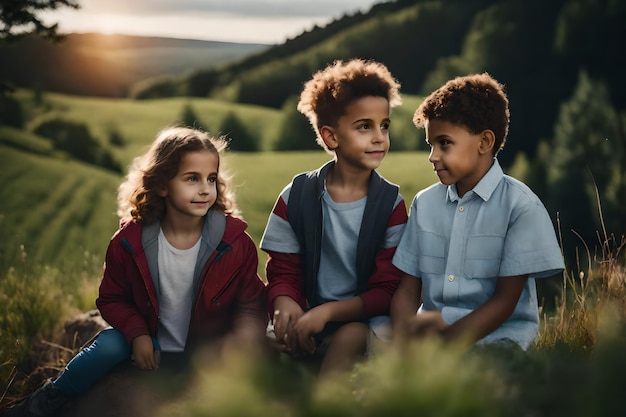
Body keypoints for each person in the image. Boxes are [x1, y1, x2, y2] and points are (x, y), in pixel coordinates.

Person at [6, 126, 268, 417]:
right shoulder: (128, 243)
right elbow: (111, 298)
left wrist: (242, 344)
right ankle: (44, 402)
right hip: (150, 342)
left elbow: (251, 303)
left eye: (211, 179)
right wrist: (137, 334)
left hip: (209, 346)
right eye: (192, 178)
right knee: (108, 345)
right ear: (161, 184)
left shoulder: (235, 243)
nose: (205, 189)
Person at [390, 73, 565, 350]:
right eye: (430, 144)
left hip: (497, 342)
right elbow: (408, 290)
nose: (432, 156)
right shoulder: (424, 204)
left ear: (484, 142)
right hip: (428, 341)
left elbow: (504, 302)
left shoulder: (520, 208)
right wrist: (405, 341)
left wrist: (444, 346)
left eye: (444, 143)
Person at [260, 59, 408, 375]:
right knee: (262, 336)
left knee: (351, 335)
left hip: (364, 317)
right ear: (331, 137)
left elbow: (388, 291)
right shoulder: (296, 195)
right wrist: (286, 302)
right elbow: (283, 270)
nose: (379, 137)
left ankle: (327, 397)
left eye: (384, 125)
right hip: (310, 310)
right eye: (364, 126)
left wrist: (329, 313)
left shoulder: (391, 205)